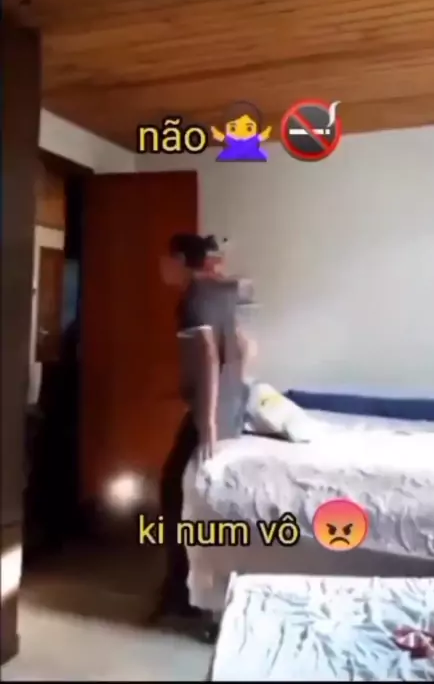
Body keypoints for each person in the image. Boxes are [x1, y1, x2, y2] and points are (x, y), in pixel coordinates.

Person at [152, 233, 249, 638]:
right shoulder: (222, 293)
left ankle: (183, 591)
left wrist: (206, 420)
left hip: (212, 414)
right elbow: (243, 346)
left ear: (179, 260)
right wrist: (233, 391)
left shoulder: (193, 299)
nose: (162, 268)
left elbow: (208, 355)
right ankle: (188, 587)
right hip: (232, 406)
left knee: (173, 489)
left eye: (165, 260)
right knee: (187, 491)